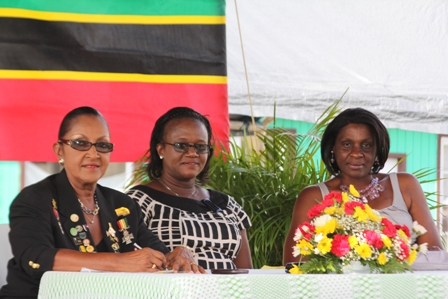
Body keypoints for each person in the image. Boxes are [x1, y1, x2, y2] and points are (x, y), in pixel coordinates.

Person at [0, 107, 203, 299]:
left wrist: (178, 253)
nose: (93, 154)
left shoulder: (121, 204)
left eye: (102, 145)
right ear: (59, 150)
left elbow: (161, 255)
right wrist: (120, 262)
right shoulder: (35, 198)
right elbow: (35, 258)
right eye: (80, 143)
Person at [283, 107, 443, 264]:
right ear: (333, 148)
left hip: (405, 285)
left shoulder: (405, 185)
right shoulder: (313, 196)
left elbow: (435, 253)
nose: (356, 153)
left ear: (377, 150)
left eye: (366, 145)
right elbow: (295, 263)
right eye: (346, 144)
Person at [126, 107, 253, 270]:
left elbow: (247, 271)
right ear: (161, 150)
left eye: (200, 147)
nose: (192, 153)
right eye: (181, 145)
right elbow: (128, 262)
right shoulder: (137, 202)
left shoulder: (228, 205)